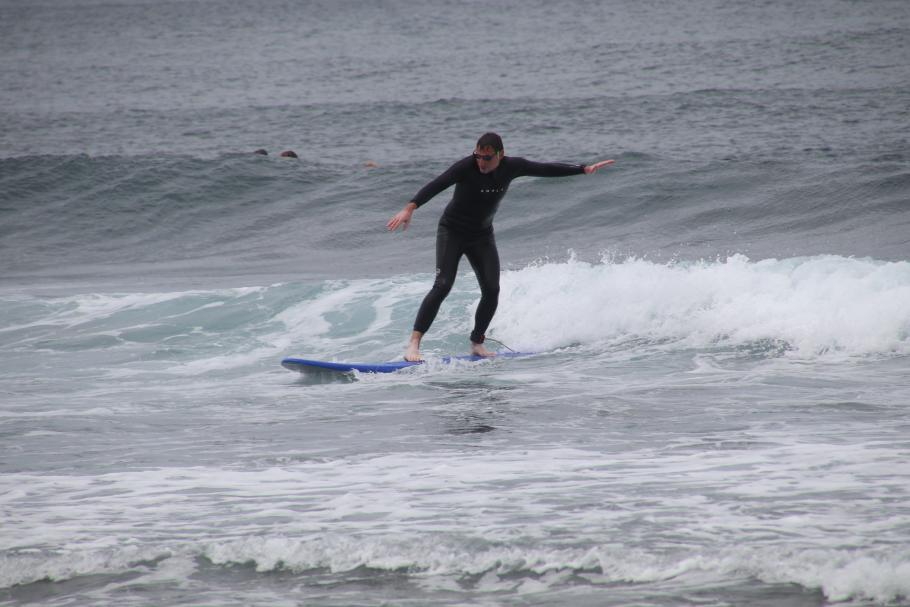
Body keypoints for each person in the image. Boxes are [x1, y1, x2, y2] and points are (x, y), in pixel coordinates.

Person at [387, 132, 614, 362]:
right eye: (478, 156)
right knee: (443, 285)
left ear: (500, 155)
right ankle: (413, 345)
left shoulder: (512, 166)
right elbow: (437, 184)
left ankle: (477, 343)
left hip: (482, 235)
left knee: (492, 289)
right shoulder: (465, 167)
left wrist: (582, 169)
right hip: (452, 232)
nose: (481, 163)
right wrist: (411, 207)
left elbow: (545, 169)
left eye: (487, 158)